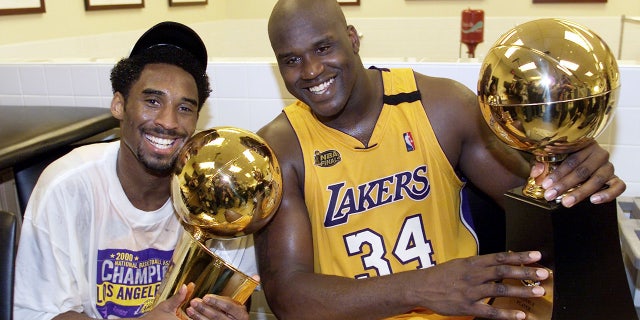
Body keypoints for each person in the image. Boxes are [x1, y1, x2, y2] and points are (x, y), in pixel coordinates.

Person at [254, 1, 626, 319]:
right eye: (291, 60)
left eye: (323, 48)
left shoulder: (442, 107)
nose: (311, 71)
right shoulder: (280, 148)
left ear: (352, 39)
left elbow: (536, 202)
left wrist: (571, 173)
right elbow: (289, 296)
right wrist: (419, 288)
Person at [13, 21, 255, 320]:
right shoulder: (67, 185)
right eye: (153, 101)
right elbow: (42, 314)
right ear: (118, 105)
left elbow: (232, 298)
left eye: (184, 108)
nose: (168, 121)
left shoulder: (217, 196)